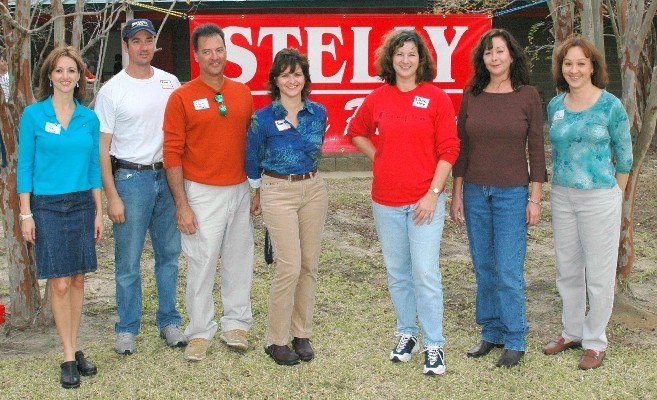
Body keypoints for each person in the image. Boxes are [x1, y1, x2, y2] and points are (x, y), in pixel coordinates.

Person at [347, 29, 460, 376]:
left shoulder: (436, 98)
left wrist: (433, 193)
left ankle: (434, 344)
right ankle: (406, 333)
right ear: (390, 59)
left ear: (421, 60)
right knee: (398, 273)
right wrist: (380, 156)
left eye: (412, 54)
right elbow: (355, 131)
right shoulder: (379, 97)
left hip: (424, 201)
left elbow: (449, 150)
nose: (405, 60)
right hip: (386, 201)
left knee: (425, 272)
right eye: (399, 54)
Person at [449, 29, 547, 368]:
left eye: (500, 51)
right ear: (482, 58)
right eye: (488, 51)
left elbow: (536, 148)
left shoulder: (528, 95)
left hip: (513, 194)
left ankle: (515, 337)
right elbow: (461, 147)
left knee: (508, 269)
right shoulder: (472, 95)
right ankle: (491, 332)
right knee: (484, 267)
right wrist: (457, 193)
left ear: (512, 56)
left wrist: (535, 198)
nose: (494, 57)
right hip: (476, 192)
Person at [163, 23, 255, 361]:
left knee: (239, 259)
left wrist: (256, 189)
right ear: (197, 55)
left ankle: (236, 323)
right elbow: (171, 152)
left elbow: (251, 143)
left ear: (226, 51)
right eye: (207, 51)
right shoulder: (181, 96)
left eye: (219, 49)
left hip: (240, 188)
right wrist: (181, 205)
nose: (214, 56)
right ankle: (200, 330)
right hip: (200, 192)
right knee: (201, 262)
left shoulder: (242, 93)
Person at [94, 18, 187, 355]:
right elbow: (101, 150)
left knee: (169, 256)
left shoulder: (170, 82)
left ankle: (169, 321)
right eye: (137, 41)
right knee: (128, 262)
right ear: (127, 45)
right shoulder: (112, 90)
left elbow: (182, 132)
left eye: (149, 40)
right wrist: (112, 196)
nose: (144, 46)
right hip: (131, 180)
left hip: (167, 175)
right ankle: (127, 327)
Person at [542, 36, 633, 370]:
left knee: (598, 273)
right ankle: (572, 332)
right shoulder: (556, 106)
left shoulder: (610, 106)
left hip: (600, 197)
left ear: (593, 66)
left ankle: (595, 341)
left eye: (581, 63)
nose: (574, 69)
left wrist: (614, 195)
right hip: (563, 197)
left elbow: (625, 157)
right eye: (568, 63)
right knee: (567, 270)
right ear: (561, 68)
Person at [17, 46, 102, 389]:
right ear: (49, 76)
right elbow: (24, 168)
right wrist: (26, 213)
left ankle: (75, 345)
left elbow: (95, 167)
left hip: (82, 203)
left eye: (71, 71)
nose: (65, 76)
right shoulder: (33, 116)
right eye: (59, 71)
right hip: (47, 206)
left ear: (80, 77)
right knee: (60, 282)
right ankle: (68, 356)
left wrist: (99, 211)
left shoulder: (89, 118)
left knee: (79, 280)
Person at [245, 48, 328, 366]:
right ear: (275, 80)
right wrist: (257, 193)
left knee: (308, 265)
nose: (292, 80)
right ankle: (276, 340)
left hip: (313, 189)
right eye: (285, 74)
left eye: (297, 73)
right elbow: (251, 159)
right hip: (277, 190)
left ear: (305, 78)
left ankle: (301, 333)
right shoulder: (263, 118)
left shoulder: (318, 113)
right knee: (289, 265)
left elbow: (316, 150)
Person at [1, 49, 9, 167]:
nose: (2, 63)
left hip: (11, 110)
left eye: (4, 61)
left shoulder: (12, 76)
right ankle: (4, 164)